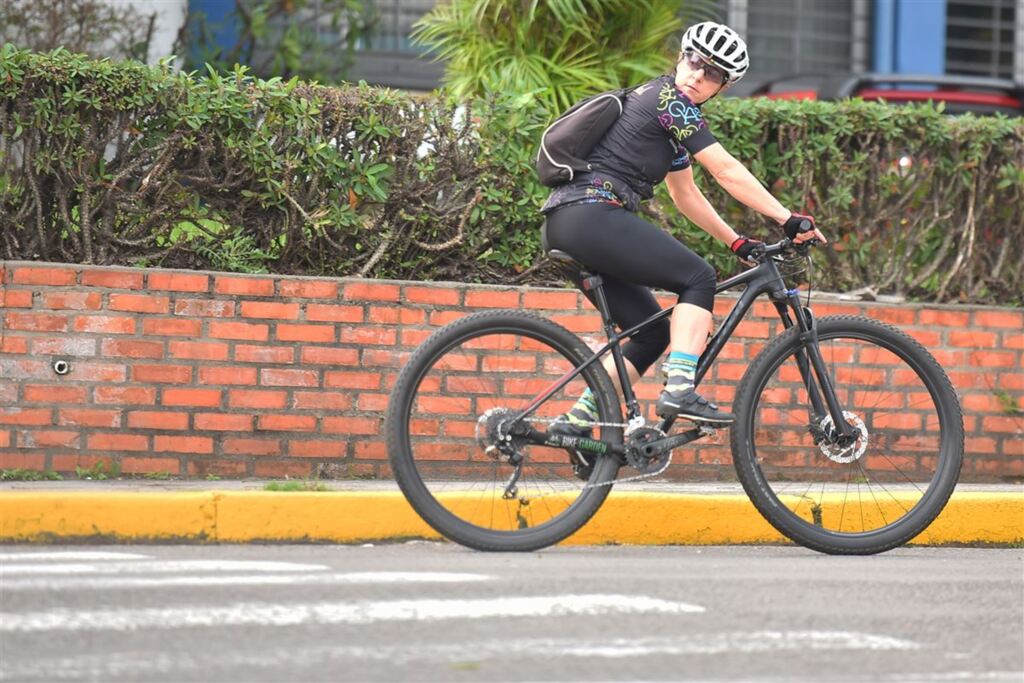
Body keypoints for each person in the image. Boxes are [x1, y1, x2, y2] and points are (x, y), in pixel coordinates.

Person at [542, 21, 828, 443]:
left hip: (567, 224)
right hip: (590, 214)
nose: (698, 75)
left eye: (712, 73)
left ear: (721, 87)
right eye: (694, 61)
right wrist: (787, 218)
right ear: (680, 57)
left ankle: (577, 423)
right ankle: (679, 389)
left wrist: (736, 241)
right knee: (698, 278)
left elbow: (686, 194)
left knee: (650, 333)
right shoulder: (669, 101)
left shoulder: (667, 119)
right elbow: (726, 171)